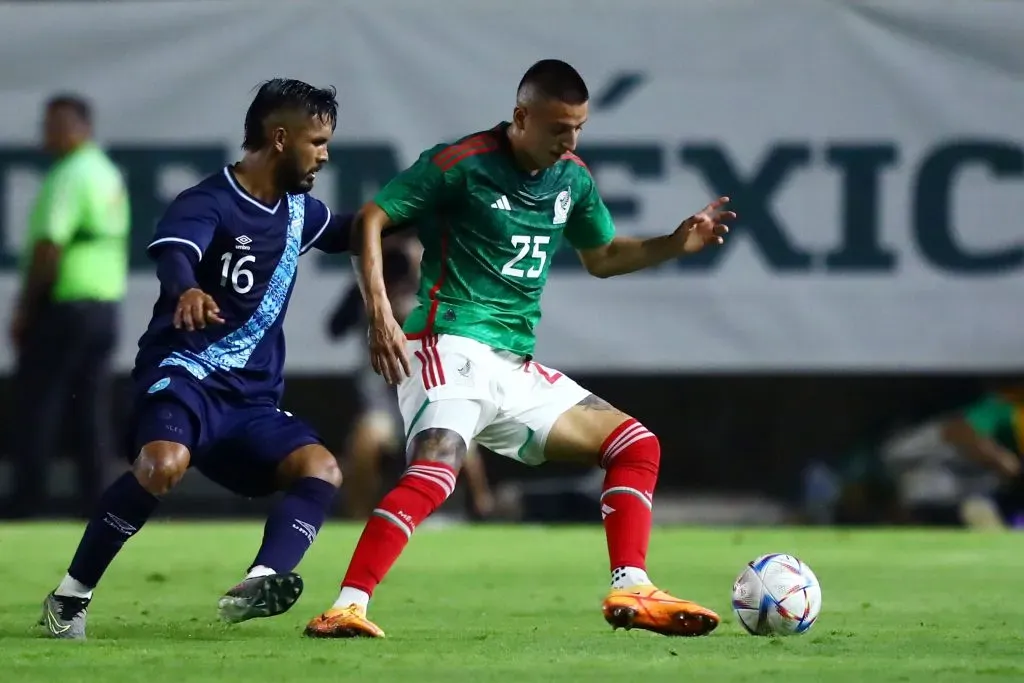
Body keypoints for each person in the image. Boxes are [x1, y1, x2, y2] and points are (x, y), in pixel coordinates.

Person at [304, 59, 735, 639]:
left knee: (636, 445)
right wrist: (380, 312)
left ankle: (631, 583)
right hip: (447, 343)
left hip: (514, 365)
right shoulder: (460, 163)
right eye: (558, 127)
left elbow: (602, 257)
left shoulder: (572, 179)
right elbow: (373, 219)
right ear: (520, 116)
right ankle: (347, 605)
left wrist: (672, 245)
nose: (569, 140)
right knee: (437, 469)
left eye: (578, 127)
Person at [39, 79, 364, 640]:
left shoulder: (299, 214)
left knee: (322, 469)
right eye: (317, 141)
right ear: (280, 138)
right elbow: (174, 252)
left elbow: (356, 232)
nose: (325, 154)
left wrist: (435, 204)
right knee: (163, 464)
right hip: (184, 374)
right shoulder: (207, 201)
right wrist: (186, 287)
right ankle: (69, 598)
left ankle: (258, 583)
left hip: (251, 401)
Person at [8, 94, 130, 518]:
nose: (46, 134)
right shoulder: (106, 173)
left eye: (54, 124)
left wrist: (26, 307)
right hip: (104, 307)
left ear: (77, 126)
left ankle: (28, 501)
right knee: (91, 409)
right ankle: (100, 503)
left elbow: (49, 247)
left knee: (39, 404)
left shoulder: (68, 176)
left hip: (66, 305)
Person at [327, 234, 494, 520]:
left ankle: (482, 514)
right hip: (384, 404)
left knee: (464, 443)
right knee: (366, 440)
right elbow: (334, 328)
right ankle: (358, 519)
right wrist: (369, 288)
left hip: (430, 396)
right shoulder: (368, 290)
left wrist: (421, 278)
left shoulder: (434, 286)